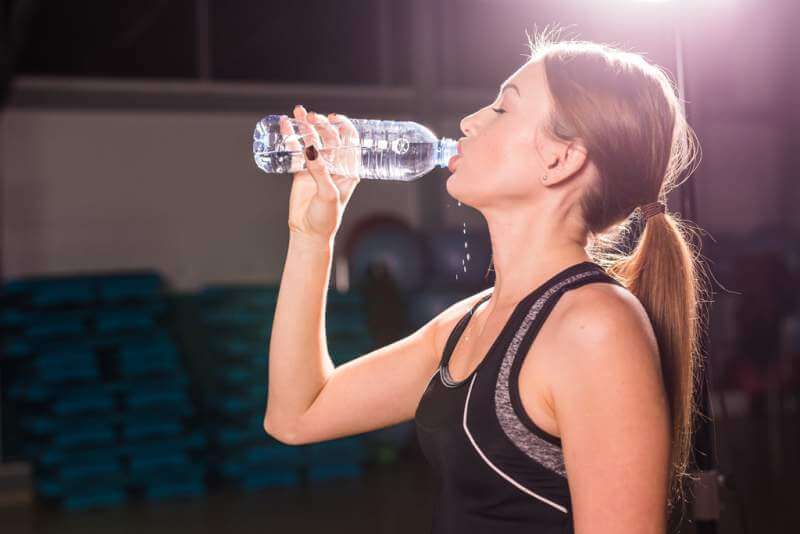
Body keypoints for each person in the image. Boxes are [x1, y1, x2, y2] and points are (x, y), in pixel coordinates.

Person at [263, 27, 708, 534]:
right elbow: (295, 415)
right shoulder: (469, 322)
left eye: (501, 109)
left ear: (559, 159)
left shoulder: (594, 327)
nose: (469, 121)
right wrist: (311, 234)